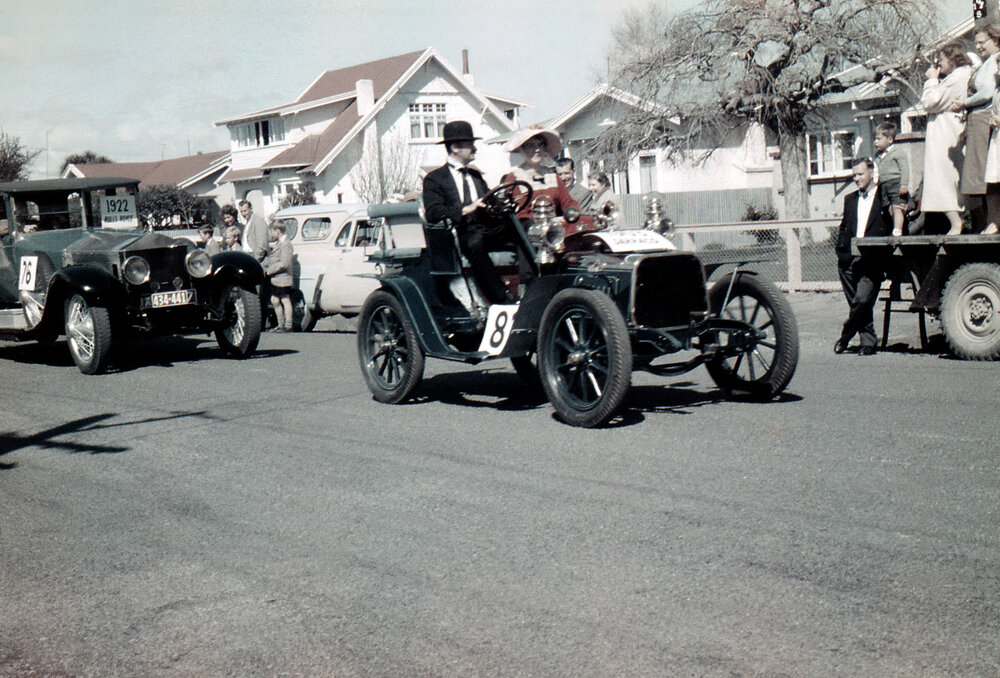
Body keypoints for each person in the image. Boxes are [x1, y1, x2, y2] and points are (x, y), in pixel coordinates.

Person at [423, 120, 523, 305]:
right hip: (459, 232)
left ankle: (532, 283)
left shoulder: (476, 176)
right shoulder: (435, 179)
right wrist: (465, 209)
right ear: (455, 148)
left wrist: (502, 205)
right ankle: (501, 297)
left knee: (522, 230)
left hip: (485, 229)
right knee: (474, 242)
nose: (474, 148)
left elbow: (489, 201)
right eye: (470, 144)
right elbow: (433, 212)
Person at [833, 158, 892, 355]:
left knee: (862, 300)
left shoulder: (883, 197)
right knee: (857, 303)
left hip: (873, 259)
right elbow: (844, 227)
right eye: (854, 175)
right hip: (848, 260)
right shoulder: (850, 199)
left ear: (871, 172)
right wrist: (842, 251)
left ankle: (845, 336)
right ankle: (868, 342)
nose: (857, 178)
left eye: (860, 174)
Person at [920, 42, 975, 236]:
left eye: (941, 59)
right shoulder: (961, 75)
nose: (938, 64)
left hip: (944, 132)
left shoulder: (956, 78)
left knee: (941, 177)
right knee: (952, 178)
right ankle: (971, 221)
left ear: (953, 58)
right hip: (949, 128)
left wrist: (931, 81)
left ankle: (956, 223)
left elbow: (929, 102)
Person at [953, 27, 1000, 232]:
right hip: (980, 120)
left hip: (986, 120)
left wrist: (965, 102)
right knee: (984, 176)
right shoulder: (987, 63)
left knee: (987, 175)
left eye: (982, 42)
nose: (978, 46)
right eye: (977, 43)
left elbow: (988, 92)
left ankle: (992, 221)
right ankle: (989, 221)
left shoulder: (996, 61)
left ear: (996, 40)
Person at [500, 126, 578, 222]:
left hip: (557, 229)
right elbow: (519, 214)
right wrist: (548, 221)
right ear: (521, 149)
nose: (537, 150)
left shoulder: (552, 175)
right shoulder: (514, 177)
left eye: (540, 145)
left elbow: (567, 202)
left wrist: (573, 212)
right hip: (528, 231)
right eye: (531, 146)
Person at [873, 122, 909, 237]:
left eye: (878, 139)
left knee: (897, 206)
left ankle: (898, 230)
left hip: (895, 183)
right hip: (883, 185)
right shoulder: (877, 155)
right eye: (875, 139)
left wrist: (904, 184)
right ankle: (895, 226)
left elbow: (904, 169)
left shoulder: (897, 152)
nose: (875, 142)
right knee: (889, 208)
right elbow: (876, 171)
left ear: (889, 139)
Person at [262, 220, 294, 332]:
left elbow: (284, 263)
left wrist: (269, 271)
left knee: (285, 299)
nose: (271, 234)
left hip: (283, 278)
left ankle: (288, 325)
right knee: (275, 300)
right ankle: (281, 325)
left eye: (272, 231)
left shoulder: (286, 244)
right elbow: (272, 260)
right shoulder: (279, 244)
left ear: (277, 231)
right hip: (277, 279)